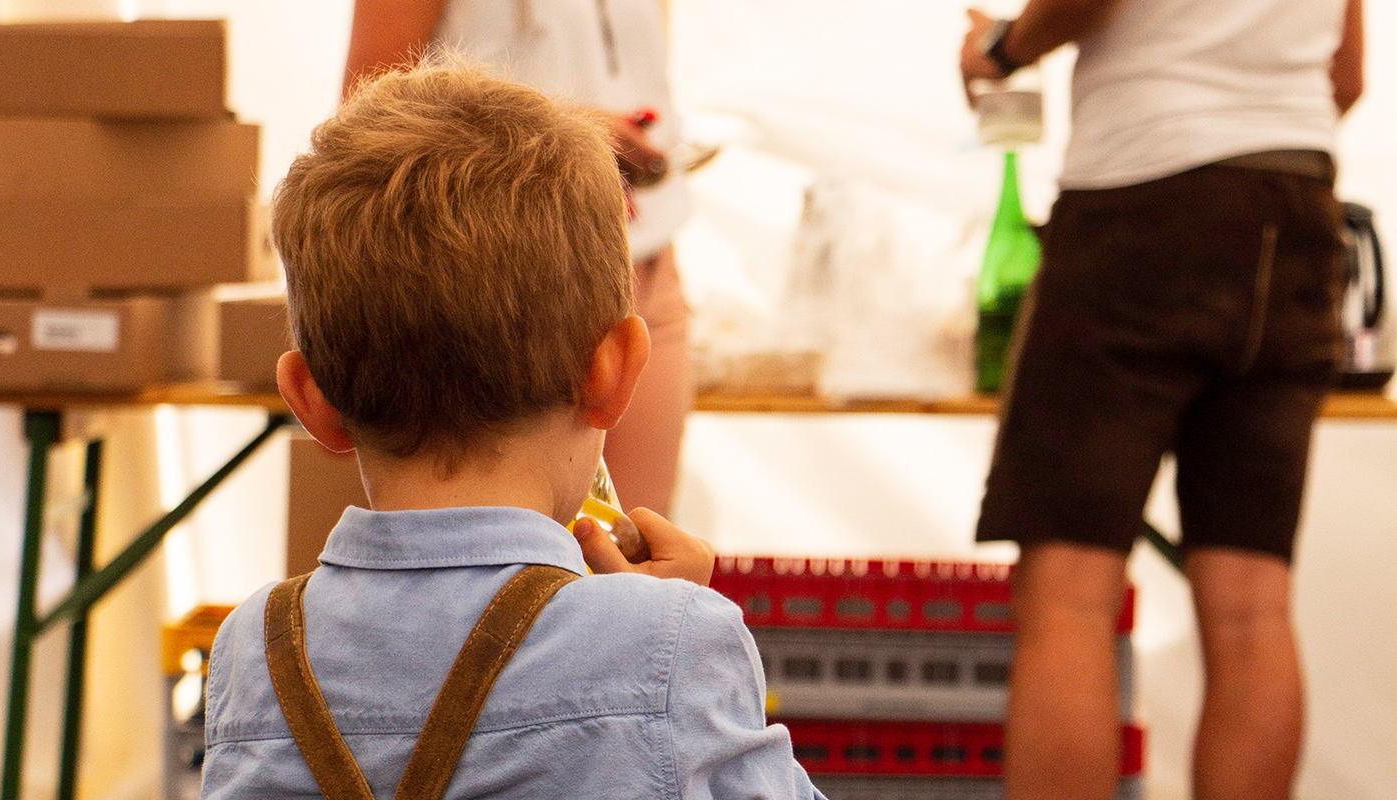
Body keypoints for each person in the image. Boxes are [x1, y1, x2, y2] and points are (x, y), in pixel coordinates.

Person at [199, 61, 824, 799]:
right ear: (615, 371)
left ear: (311, 402)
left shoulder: (253, 650)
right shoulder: (672, 642)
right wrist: (669, 624)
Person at [959, 1, 1363, 799]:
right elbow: (1346, 79)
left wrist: (1002, 49)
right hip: (1298, 202)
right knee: (1251, 604)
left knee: (1069, 593)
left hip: (1144, 196)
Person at [343, 0, 694, 516]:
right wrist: (563, 135)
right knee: (501, 539)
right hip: (502, 278)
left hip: (643, 255)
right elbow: (365, 127)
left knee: (635, 540)